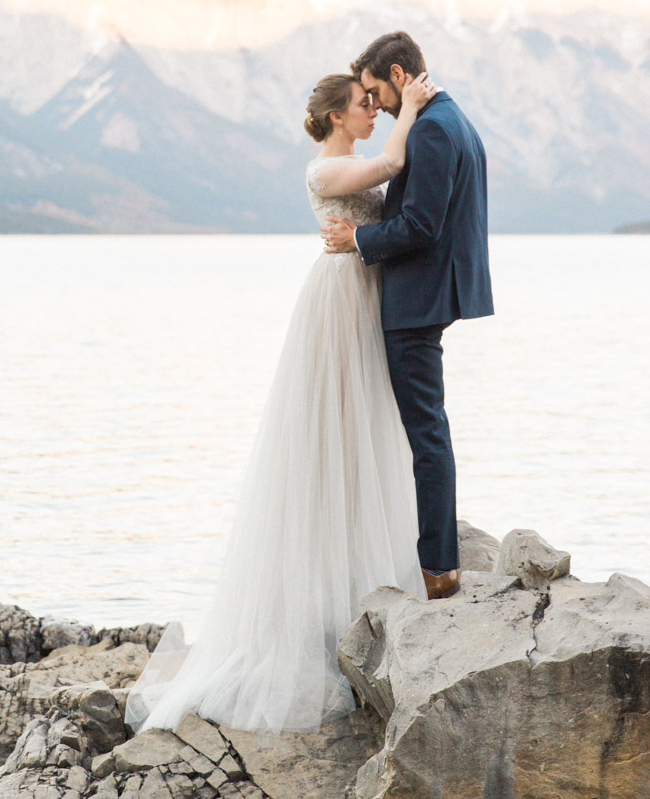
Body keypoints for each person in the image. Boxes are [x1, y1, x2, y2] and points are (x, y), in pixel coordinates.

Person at [123, 69, 438, 736]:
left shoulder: (348, 163)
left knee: (366, 438)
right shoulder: (326, 172)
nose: (373, 111)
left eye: (377, 104)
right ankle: (319, 613)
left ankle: (362, 586)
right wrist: (411, 105)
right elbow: (391, 161)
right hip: (338, 302)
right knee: (331, 439)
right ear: (332, 117)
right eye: (363, 105)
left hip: (365, 295)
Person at [321, 30, 493, 601]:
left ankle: (439, 569)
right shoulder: (447, 118)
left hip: (416, 298)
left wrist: (358, 239)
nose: (374, 105)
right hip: (420, 293)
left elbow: (421, 223)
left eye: (375, 91)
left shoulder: (437, 128)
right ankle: (425, 556)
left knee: (425, 433)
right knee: (425, 429)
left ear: (398, 76)